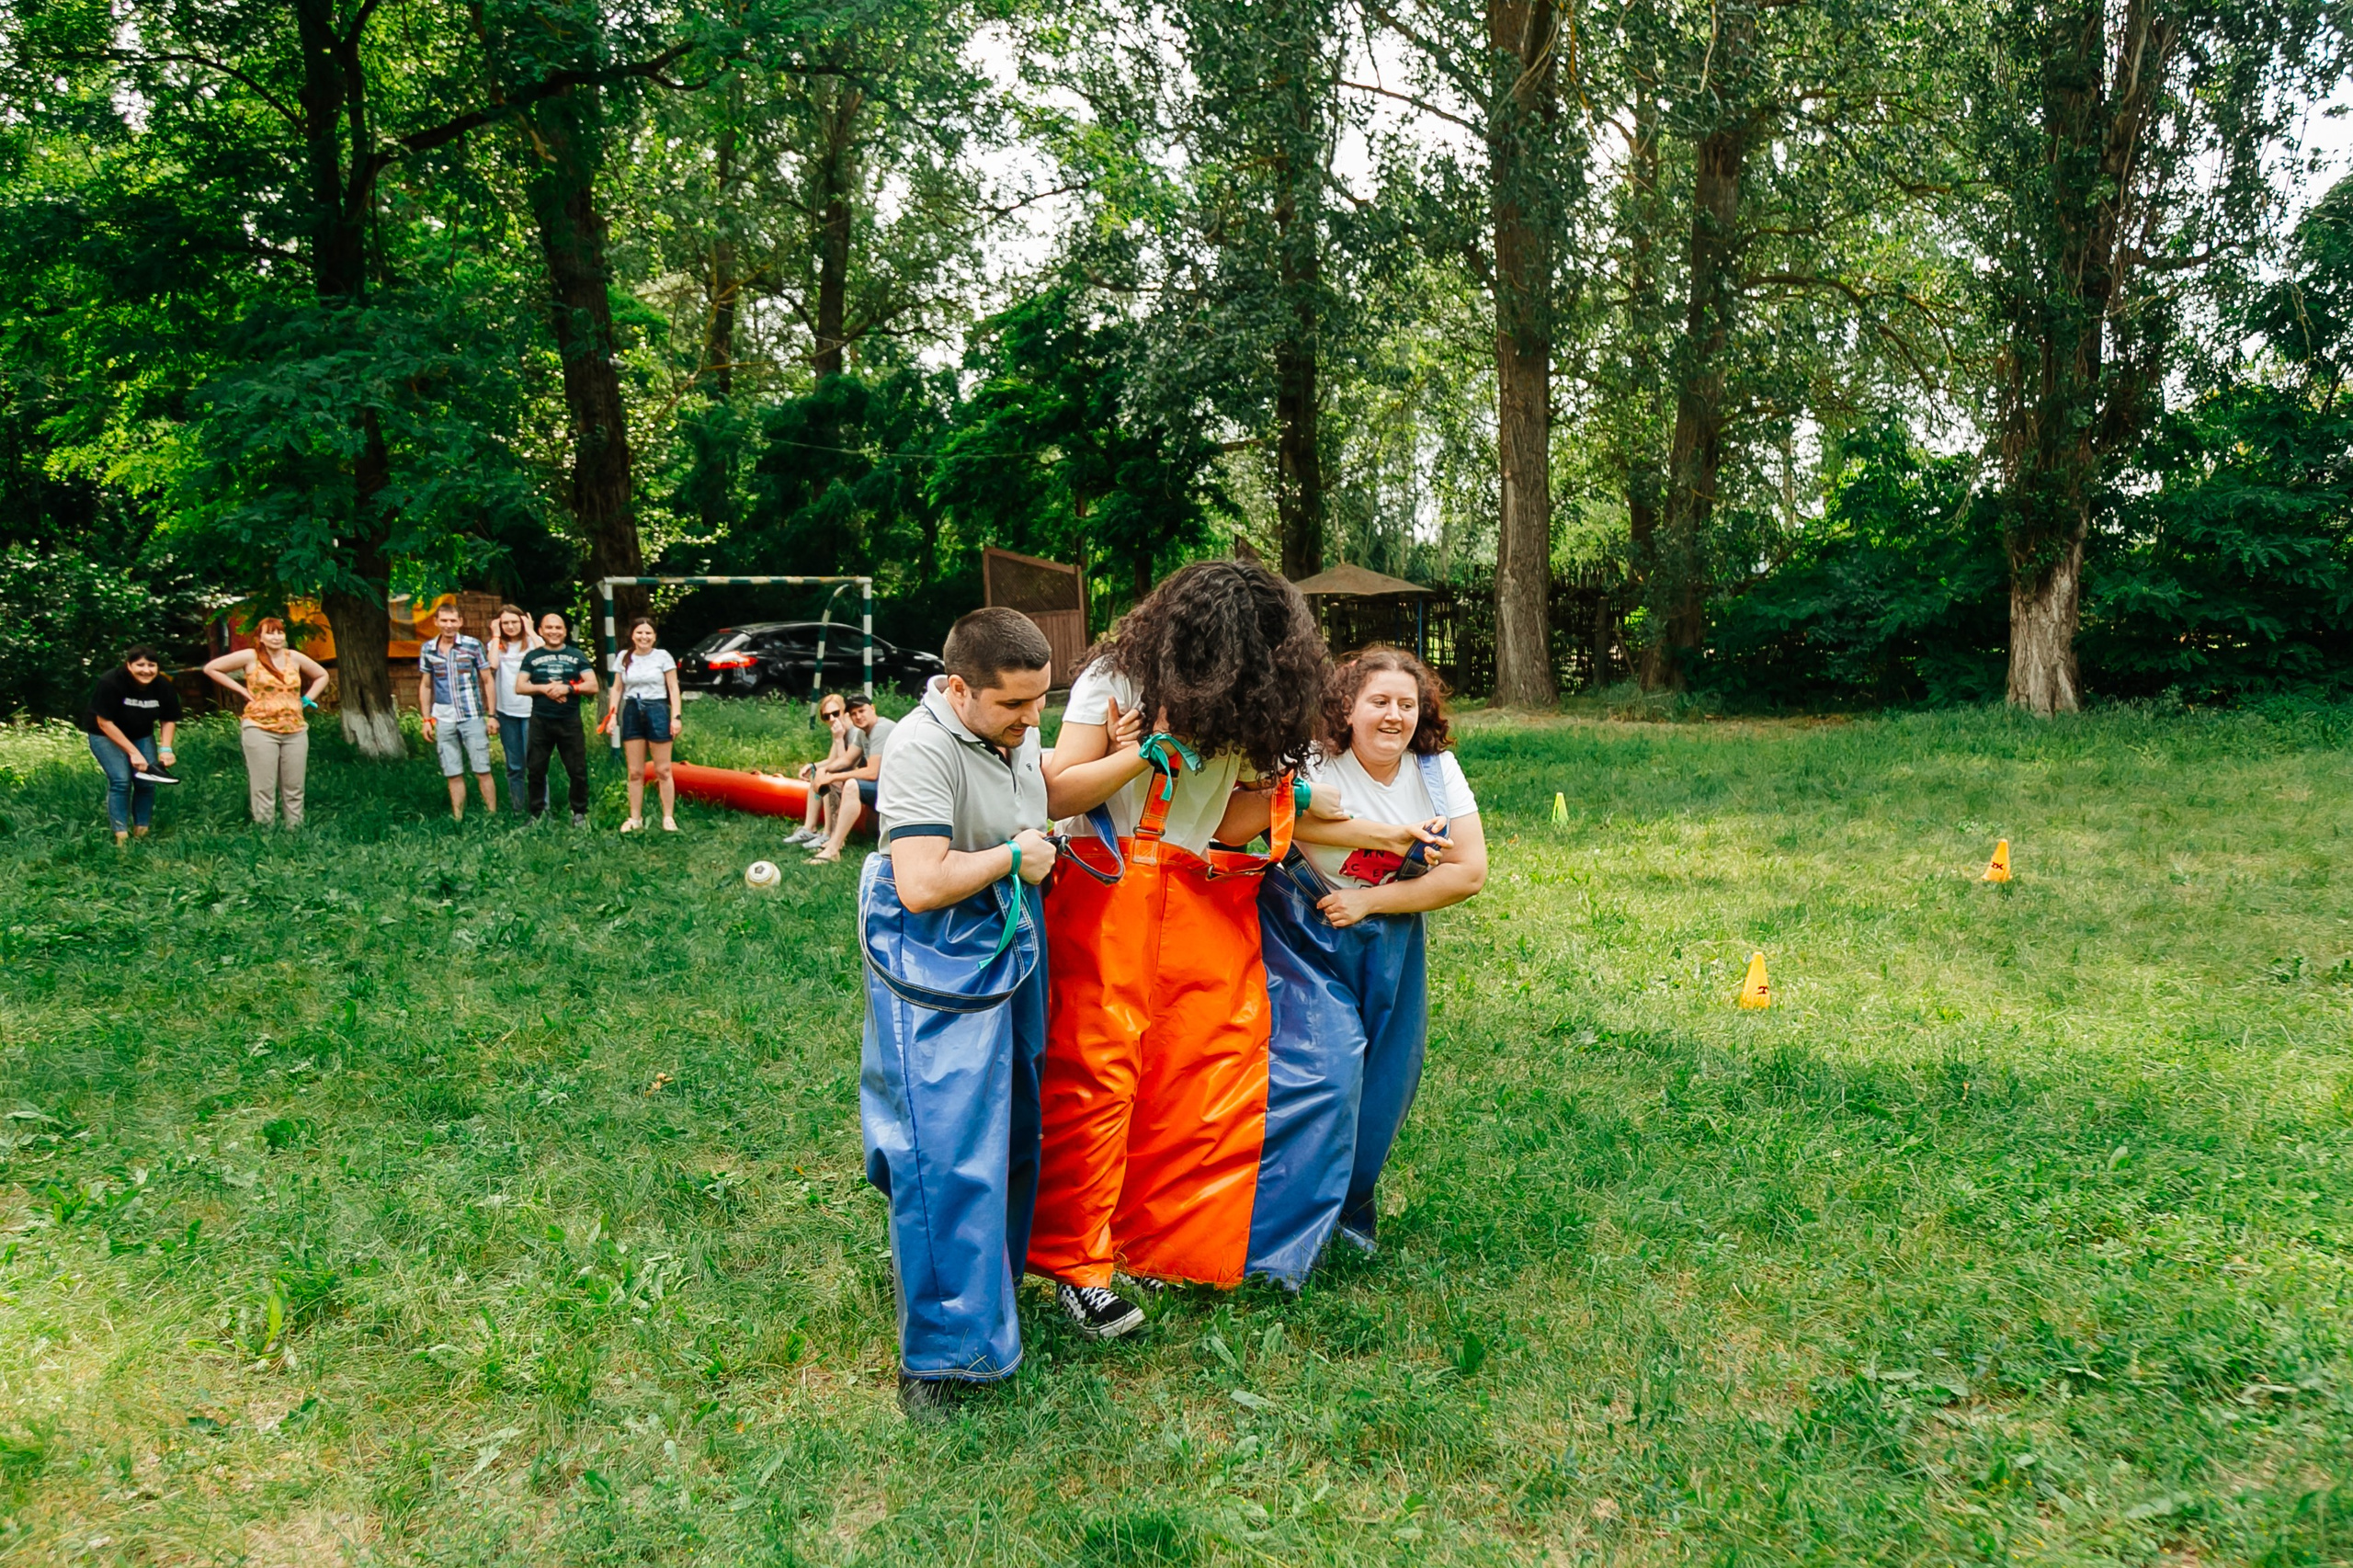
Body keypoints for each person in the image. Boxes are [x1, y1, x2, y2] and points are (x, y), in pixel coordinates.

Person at [1028, 560, 1339, 1335]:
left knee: (1200, 1081)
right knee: (1096, 1080)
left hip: (1204, 901)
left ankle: (1159, 1247)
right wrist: (1148, 752)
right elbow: (1059, 791)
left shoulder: (1254, 699)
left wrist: (1274, 800)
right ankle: (1076, 1266)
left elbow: (1225, 827)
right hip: (1107, 900)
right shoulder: (1115, 679)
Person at [860, 608, 1058, 1417]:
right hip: (935, 944)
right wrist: (1016, 855)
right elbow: (920, 882)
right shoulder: (918, 747)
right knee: (945, 1143)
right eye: (1014, 706)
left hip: (1010, 925)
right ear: (957, 689)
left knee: (1015, 1121)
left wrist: (1127, 762)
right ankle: (942, 1359)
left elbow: (1046, 786)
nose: (1031, 720)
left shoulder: (1013, 727)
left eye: (1041, 702)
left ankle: (991, 1293)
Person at [1245, 647, 1488, 1287]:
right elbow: (1269, 827)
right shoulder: (1314, 763)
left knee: (1385, 1086)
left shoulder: (1435, 771)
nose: (1394, 716)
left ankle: (1346, 1223)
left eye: (1407, 704)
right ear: (1346, 708)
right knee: (1325, 1074)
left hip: (1391, 940)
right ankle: (1275, 1248)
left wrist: (1371, 901)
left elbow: (1469, 871)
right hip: (1301, 931)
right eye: (1379, 701)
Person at [202, 617, 329, 828]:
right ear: (260, 637)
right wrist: (241, 689)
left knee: (294, 786)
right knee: (264, 786)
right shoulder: (251, 656)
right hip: (260, 729)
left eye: (280, 632)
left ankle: (295, 831)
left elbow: (322, 675)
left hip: (295, 729)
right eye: (270, 632)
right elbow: (212, 668)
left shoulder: (294, 657)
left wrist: (307, 699)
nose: (276, 637)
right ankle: (265, 832)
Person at [78, 645, 183, 845]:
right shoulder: (110, 682)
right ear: (129, 665)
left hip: (141, 734)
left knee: (146, 780)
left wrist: (166, 749)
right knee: (121, 780)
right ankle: (121, 837)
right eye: (140, 665)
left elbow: (169, 719)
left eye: (151, 665)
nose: (146, 670)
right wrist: (133, 753)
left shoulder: (163, 686)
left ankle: (141, 833)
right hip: (105, 735)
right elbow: (104, 722)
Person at [416, 603, 498, 821]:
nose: (449, 625)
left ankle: (492, 815)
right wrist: (426, 719)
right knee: (452, 771)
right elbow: (425, 685)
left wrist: (492, 715)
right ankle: (458, 817)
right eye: (444, 620)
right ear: (436, 622)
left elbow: (487, 679)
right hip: (443, 718)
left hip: (471, 715)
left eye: (453, 620)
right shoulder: (428, 649)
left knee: (482, 768)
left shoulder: (472, 646)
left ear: (460, 622)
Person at [518, 611, 597, 826]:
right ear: (541, 631)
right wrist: (545, 689)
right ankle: (537, 814)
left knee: (577, 770)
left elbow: (593, 685)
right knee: (535, 769)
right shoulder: (532, 656)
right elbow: (520, 686)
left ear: (564, 631)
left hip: (569, 721)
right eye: (549, 628)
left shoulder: (577, 655)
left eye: (558, 628)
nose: (554, 631)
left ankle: (579, 812)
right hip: (541, 721)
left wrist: (568, 688)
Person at [608, 617, 683, 833]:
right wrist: (612, 715)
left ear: (654, 636)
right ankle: (635, 818)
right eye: (639, 633)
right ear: (632, 635)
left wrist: (675, 717)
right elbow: (617, 689)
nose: (644, 637)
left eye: (648, 633)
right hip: (632, 710)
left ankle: (668, 817)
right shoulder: (624, 657)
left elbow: (673, 687)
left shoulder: (663, 657)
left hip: (657, 710)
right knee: (634, 771)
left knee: (663, 769)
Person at [809, 691, 895, 863]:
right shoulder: (863, 733)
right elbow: (847, 759)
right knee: (842, 781)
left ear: (872, 708)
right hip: (886, 785)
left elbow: (872, 773)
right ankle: (830, 837)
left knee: (851, 785)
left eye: (862, 711)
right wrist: (823, 771)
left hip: (900, 789)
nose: (858, 717)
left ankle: (834, 848)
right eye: (853, 714)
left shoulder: (881, 729)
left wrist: (832, 777)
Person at [486, 605, 540, 814]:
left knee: (535, 764)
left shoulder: (531, 644)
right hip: (506, 712)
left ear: (523, 622)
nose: (510, 626)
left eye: (514, 622)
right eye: (505, 623)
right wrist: (495, 636)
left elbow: (542, 654)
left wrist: (531, 630)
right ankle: (518, 808)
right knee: (514, 765)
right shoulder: (496, 645)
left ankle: (540, 808)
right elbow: (492, 665)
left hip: (531, 711)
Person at [787, 696, 858, 847]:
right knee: (818, 772)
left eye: (836, 713)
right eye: (827, 716)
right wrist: (812, 766)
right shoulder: (840, 730)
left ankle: (828, 833)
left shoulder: (854, 732)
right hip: (848, 773)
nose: (832, 719)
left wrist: (838, 739)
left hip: (857, 775)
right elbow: (832, 760)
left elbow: (845, 763)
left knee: (827, 777)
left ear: (845, 712)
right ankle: (809, 827)